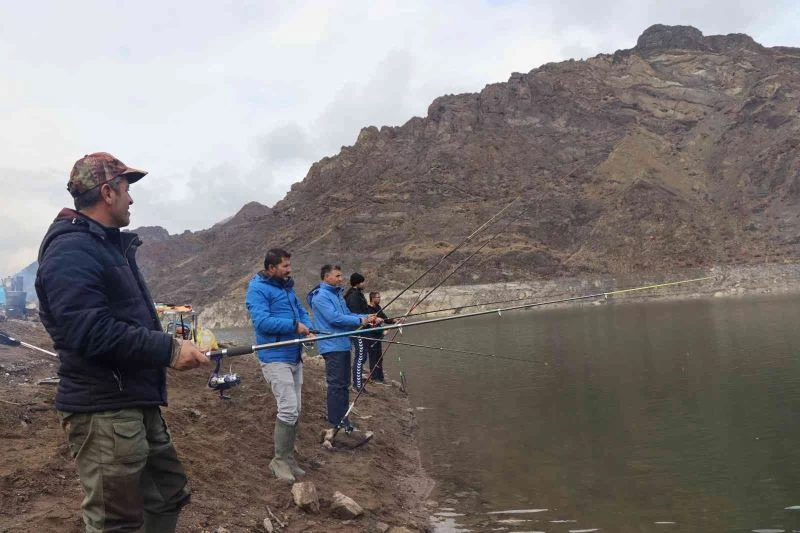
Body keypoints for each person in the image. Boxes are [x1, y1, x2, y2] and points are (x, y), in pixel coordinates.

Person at [35, 152, 210, 533]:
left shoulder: (106, 246)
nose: (131, 198)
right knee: (115, 522)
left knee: (166, 495)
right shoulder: (71, 250)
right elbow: (89, 330)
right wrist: (168, 350)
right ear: (107, 192)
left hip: (133, 399)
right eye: (127, 189)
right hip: (104, 410)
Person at [245, 248, 313, 484]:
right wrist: (294, 326)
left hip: (294, 355)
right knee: (288, 409)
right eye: (285, 266)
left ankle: (289, 458)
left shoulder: (286, 287)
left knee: (296, 409)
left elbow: (301, 311)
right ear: (271, 268)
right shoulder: (257, 289)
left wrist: (307, 327)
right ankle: (279, 460)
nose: (289, 270)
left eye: (289, 265)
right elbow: (262, 322)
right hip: (274, 357)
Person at [308, 265, 381, 435]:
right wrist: (360, 321)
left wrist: (368, 318)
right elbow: (334, 319)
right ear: (326, 277)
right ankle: (336, 423)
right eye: (337, 276)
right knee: (336, 385)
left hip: (343, 344)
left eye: (341, 275)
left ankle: (344, 422)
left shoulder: (338, 295)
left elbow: (348, 314)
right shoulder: (321, 297)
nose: (341, 279)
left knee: (344, 385)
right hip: (332, 346)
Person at [344, 272, 371, 393]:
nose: (365, 283)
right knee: (360, 357)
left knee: (362, 356)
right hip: (357, 331)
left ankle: (357, 383)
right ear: (358, 282)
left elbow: (362, 313)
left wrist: (370, 318)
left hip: (362, 329)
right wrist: (367, 318)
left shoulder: (358, 294)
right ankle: (357, 385)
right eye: (363, 281)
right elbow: (355, 315)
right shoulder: (354, 296)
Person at [365, 291, 395, 384]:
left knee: (379, 358)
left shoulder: (378, 307)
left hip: (378, 337)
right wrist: (382, 331)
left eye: (379, 297)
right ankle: (374, 378)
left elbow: (385, 319)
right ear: (372, 298)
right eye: (378, 297)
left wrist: (395, 320)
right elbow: (370, 326)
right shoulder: (368, 309)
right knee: (373, 358)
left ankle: (380, 378)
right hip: (371, 337)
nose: (379, 299)